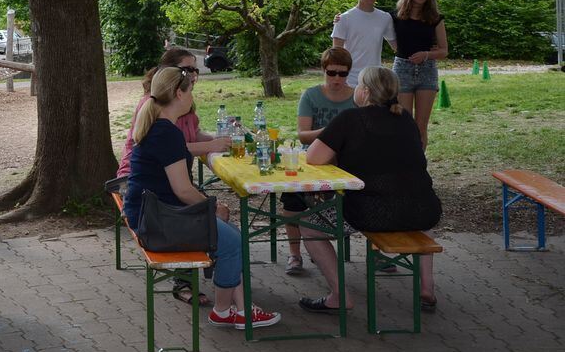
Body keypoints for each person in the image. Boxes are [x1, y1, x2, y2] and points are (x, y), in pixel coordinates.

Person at [124, 67, 281, 330]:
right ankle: (222, 311)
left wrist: (209, 207)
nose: (192, 97)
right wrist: (211, 207)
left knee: (230, 235)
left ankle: (241, 309)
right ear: (178, 93)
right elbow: (182, 191)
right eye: (191, 91)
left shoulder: (160, 126)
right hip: (156, 221)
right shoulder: (166, 132)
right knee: (231, 242)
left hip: (153, 213)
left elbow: (180, 189)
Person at [300, 66, 442, 314]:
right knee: (418, 223)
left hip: (371, 212)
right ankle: (427, 288)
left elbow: (313, 158)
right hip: (423, 209)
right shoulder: (406, 119)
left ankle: (339, 295)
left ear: (365, 92)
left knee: (309, 227)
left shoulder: (350, 118)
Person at [117, 48, 231, 306]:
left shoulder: (176, 107)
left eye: (195, 70)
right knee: (222, 227)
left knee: (214, 217)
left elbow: (189, 140)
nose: (193, 75)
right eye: (187, 70)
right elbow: (175, 161)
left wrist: (218, 139)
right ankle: (213, 290)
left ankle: (222, 282)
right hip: (149, 198)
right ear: (172, 79)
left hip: (156, 192)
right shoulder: (159, 114)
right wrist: (209, 206)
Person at [281, 48, 356, 276]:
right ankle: (295, 253)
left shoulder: (356, 97)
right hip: (312, 160)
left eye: (342, 74)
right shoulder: (311, 95)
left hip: (344, 163)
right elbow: (302, 135)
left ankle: (377, 250)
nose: (336, 79)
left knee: (362, 196)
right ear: (323, 70)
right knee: (292, 198)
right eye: (331, 73)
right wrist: (331, 132)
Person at [390, 0, 448, 148]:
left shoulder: (435, 18)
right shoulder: (395, 16)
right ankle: (405, 164)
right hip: (402, 70)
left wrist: (426, 55)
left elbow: (444, 50)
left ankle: (419, 166)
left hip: (427, 71)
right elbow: (369, 18)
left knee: (421, 126)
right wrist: (340, 19)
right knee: (404, 125)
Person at [331, 0, 397, 88]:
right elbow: (336, 54)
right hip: (349, 80)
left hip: (374, 80)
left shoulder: (385, 18)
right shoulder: (344, 18)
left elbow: (397, 47)